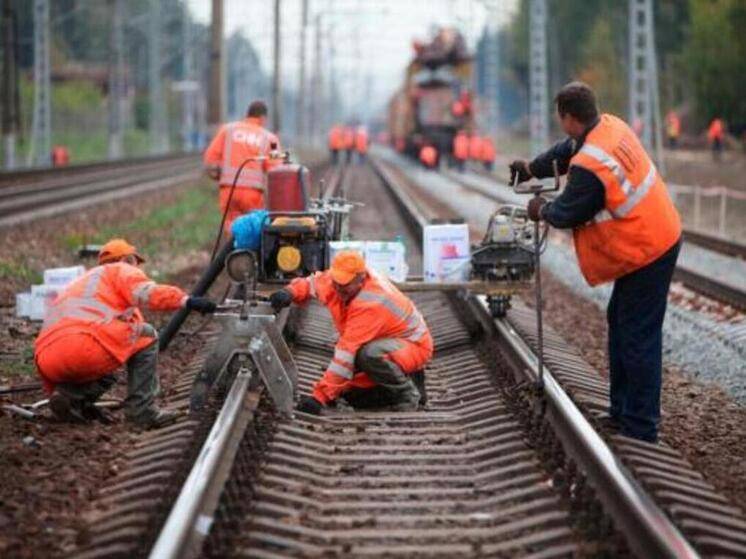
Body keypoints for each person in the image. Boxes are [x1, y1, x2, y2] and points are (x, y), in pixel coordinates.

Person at [509, 81, 681, 443]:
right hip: (651, 236)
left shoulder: (590, 165)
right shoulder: (607, 127)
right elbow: (566, 150)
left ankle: (641, 425)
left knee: (637, 334)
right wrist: (531, 168)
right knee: (621, 320)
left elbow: (568, 211)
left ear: (568, 117)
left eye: (561, 119)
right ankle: (623, 412)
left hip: (649, 248)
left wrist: (540, 208)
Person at [34, 239, 217, 429]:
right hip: (84, 349)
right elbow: (149, 293)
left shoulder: (82, 282)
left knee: (114, 354)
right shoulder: (121, 269)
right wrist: (186, 300)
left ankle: (69, 397)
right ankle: (142, 412)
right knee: (146, 335)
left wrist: (51, 390)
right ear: (128, 260)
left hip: (47, 360)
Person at [269, 250, 433, 415]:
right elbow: (312, 283)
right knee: (352, 396)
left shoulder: (371, 302)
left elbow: (346, 353)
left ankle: (408, 395)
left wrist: (319, 397)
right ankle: (407, 377)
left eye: (345, 284)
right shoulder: (338, 282)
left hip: (413, 346)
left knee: (369, 354)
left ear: (360, 279)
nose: (339, 288)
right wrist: (289, 292)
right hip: (387, 342)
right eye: (336, 282)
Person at [203, 100, 282, 233]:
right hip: (253, 194)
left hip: (229, 190)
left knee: (230, 227)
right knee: (253, 229)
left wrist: (218, 175)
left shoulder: (228, 130)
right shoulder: (270, 138)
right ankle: (249, 253)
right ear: (263, 118)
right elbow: (276, 170)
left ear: (248, 115)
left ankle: (232, 251)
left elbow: (210, 159)